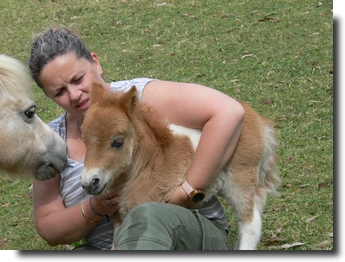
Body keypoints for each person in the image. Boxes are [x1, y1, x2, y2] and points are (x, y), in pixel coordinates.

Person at [28, 25, 245, 250]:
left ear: (95, 62)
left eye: (78, 79)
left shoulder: (139, 99)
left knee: (146, 215)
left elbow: (228, 112)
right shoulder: (51, 141)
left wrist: (187, 191)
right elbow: (48, 227)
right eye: (59, 92)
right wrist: (95, 208)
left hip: (189, 238)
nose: (74, 95)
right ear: (48, 96)